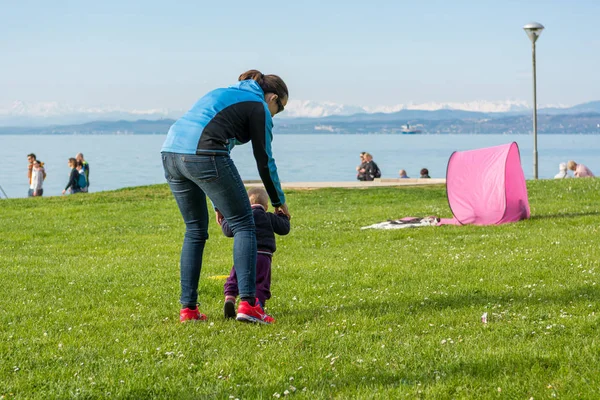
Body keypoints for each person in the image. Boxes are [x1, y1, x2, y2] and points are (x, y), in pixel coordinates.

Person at [161, 69, 290, 324]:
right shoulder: (258, 106)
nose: (276, 114)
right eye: (281, 108)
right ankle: (250, 305)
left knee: (195, 231)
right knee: (245, 224)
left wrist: (217, 201)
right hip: (203, 153)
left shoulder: (224, 94)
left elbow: (222, 142)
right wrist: (278, 201)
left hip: (170, 154)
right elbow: (265, 160)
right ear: (272, 98)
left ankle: (189, 310)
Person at [222, 187, 290, 320]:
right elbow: (284, 229)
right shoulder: (269, 217)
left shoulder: (241, 217)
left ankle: (229, 298)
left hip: (242, 255)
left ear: (246, 204)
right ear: (266, 206)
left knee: (235, 278)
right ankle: (256, 307)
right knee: (260, 283)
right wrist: (282, 215)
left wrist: (225, 217)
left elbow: (227, 230)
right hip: (263, 256)